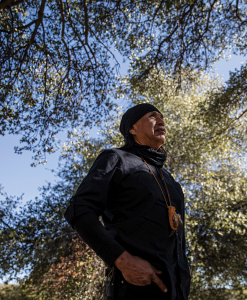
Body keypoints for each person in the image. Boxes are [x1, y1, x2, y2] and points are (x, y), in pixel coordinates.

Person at [64, 103, 191, 300]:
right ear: (132, 128)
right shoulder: (116, 158)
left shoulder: (170, 180)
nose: (161, 121)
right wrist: (122, 260)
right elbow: (79, 210)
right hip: (135, 288)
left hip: (177, 291)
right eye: (152, 116)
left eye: (162, 117)